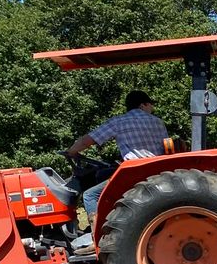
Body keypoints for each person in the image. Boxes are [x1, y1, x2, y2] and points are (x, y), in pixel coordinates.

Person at [66, 90, 168, 224]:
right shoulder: (158, 122)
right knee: (104, 174)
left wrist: (72, 151)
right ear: (142, 105)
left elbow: (87, 141)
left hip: (134, 171)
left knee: (90, 195)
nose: (152, 108)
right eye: (151, 105)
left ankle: (96, 236)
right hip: (157, 169)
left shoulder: (119, 121)